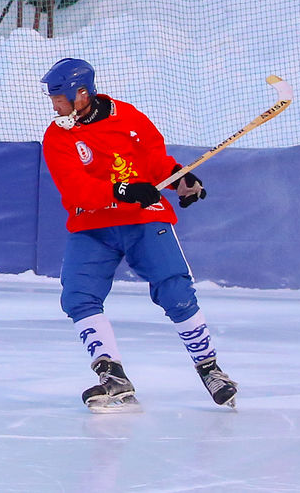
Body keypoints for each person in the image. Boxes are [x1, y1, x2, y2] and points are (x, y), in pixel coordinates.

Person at [40, 57, 236, 411]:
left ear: (82, 94)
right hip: (92, 224)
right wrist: (122, 190)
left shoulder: (130, 117)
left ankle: (210, 369)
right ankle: (112, 375)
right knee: (78, 296)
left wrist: (180, 179)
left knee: (175, 290)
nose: (55, 106)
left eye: (60, 99)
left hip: (144, 218)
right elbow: (76, 191)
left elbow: (156, 162)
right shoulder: (57, 137)